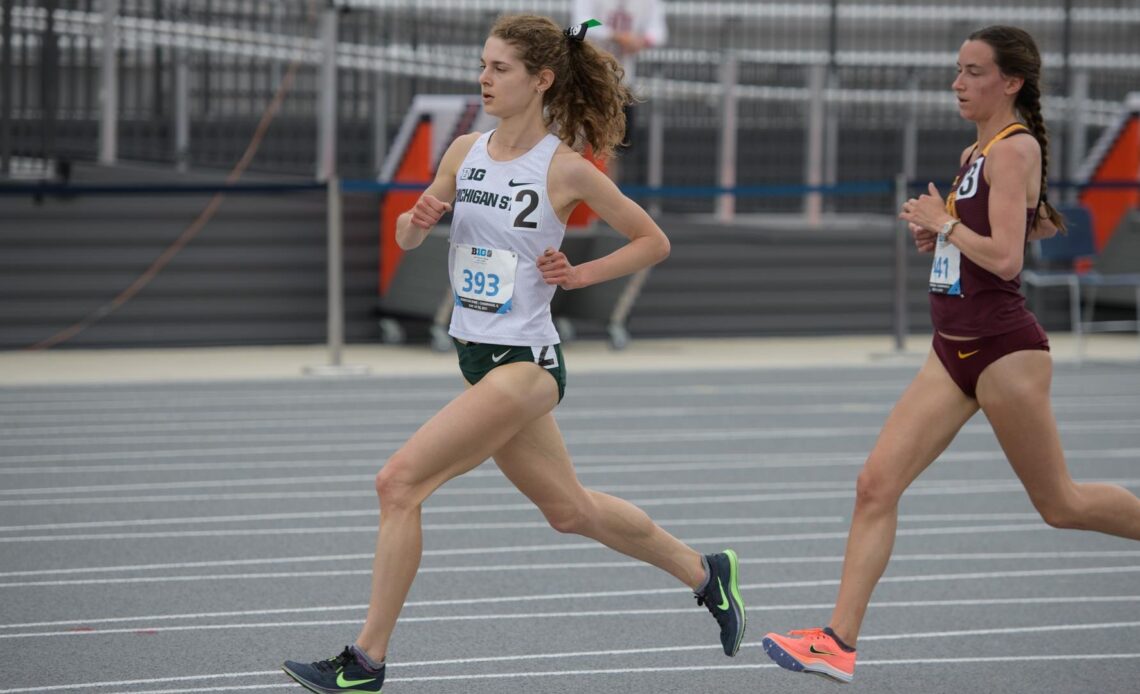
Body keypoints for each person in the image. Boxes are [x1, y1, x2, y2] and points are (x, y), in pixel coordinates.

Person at [282, 15, 745, 694]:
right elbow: (414, 238)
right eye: (482, 65)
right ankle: (706, 573)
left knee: (398, 484)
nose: (484, 79)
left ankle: (367, 661)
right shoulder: (464, 150)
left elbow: (653, 241)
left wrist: (578, 276)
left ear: (541, 80)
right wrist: (416, 225)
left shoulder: (564, 169)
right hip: (476, 357)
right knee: (570, 511)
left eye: (499, 68)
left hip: (526, 365)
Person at [761, 24, 1140, 684]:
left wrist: (947, 225)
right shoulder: (979, 149)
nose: (957, 83)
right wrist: (941, 240)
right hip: (951, 350)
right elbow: (1004, 231)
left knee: (1061, 505)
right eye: (957, 70)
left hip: (1002, 353)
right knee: (875, 484)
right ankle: (837, 641)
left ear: (1010, 83)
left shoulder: (1012, 149)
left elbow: (1008, 256)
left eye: (973, 72)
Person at [573, 0, 668, 183]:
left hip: (622, 86)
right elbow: (582, 23)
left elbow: (659, 32)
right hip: (587, 81)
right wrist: (615, 35)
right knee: (579, 142)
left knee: (614, 149)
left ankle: (603, 204)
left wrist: (641, 40)